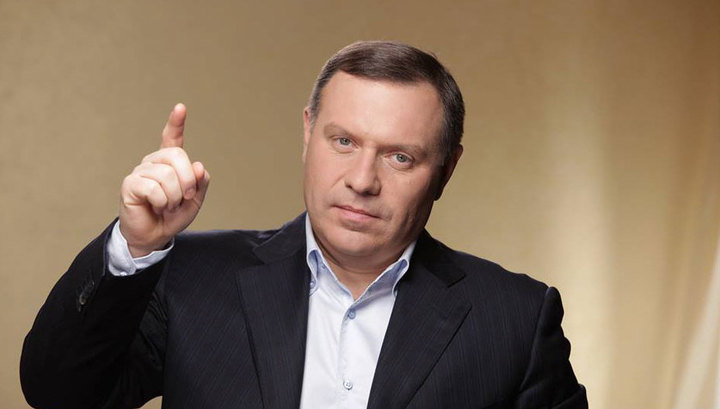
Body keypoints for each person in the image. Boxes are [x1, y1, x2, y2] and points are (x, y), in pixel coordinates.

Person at [20, 41, 588, 409]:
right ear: (308, 133)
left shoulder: (515, 320)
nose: (361, 180)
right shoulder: (191, 278)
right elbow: (61, 395)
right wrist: (136, 246)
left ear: (447, 169)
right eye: (343, 142)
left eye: (400, 157)